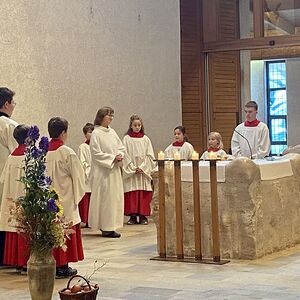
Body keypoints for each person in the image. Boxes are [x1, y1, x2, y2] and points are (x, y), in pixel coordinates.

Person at [46, 117, 85, 278]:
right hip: (65, 198)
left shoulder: (43, 151)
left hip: (48, 199)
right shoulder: (67, 152)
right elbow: (78, 177)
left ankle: (53, 264)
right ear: (63, 132)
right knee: (64, 230)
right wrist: (77, 197)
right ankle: (62, 266)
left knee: (51, 230)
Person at [89, 107, 125, 238]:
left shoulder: (112, 132)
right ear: (101, 117)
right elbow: (95, 153)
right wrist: (111, 158)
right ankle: (105, 227)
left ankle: (112, 225)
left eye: (112, 115)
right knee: (105, 200)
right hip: (103, 172)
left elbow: (121, 147)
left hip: (114, 170)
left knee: (114, 198)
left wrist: (120, 155)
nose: (111, 118)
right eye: (108, 115)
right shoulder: (96, 133)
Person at [0, 125, 30, 273]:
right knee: (26, 228)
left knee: (15, 229)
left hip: (13, 198)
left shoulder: (11, 157)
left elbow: (3, 179)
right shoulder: (29, 156)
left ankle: (17, 262)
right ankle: (25, 262)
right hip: (26, 199)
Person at [122, 115, 156, 225]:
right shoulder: (126, 139)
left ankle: (142, 216)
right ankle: (132, 216)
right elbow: (124, 154)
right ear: (131, 126)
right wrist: (132, 167)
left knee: (142, 193)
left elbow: (150, 155)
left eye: (139, 125)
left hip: (142, 171)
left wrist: (143, 167)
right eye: (135, 125)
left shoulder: (146, 139)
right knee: (132, 193)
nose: (137, 127)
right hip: (132, 170)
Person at [0, 87, 18, 265]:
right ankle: (5, 256)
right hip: (5, 178)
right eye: (13, 102)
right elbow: (18, 151)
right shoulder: (9, 125)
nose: (14, 105)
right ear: (6, 104)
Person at [78, 122, 94, 227]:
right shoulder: (83, 147)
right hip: (88, 177)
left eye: (93, 132)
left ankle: (95, 219)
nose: (91, 134)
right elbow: (82, 162)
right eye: (89, 132)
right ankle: (88, 220)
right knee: (87, 199)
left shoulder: (98, 146)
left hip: (97, 176)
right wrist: (90, 172)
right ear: (85, 134)